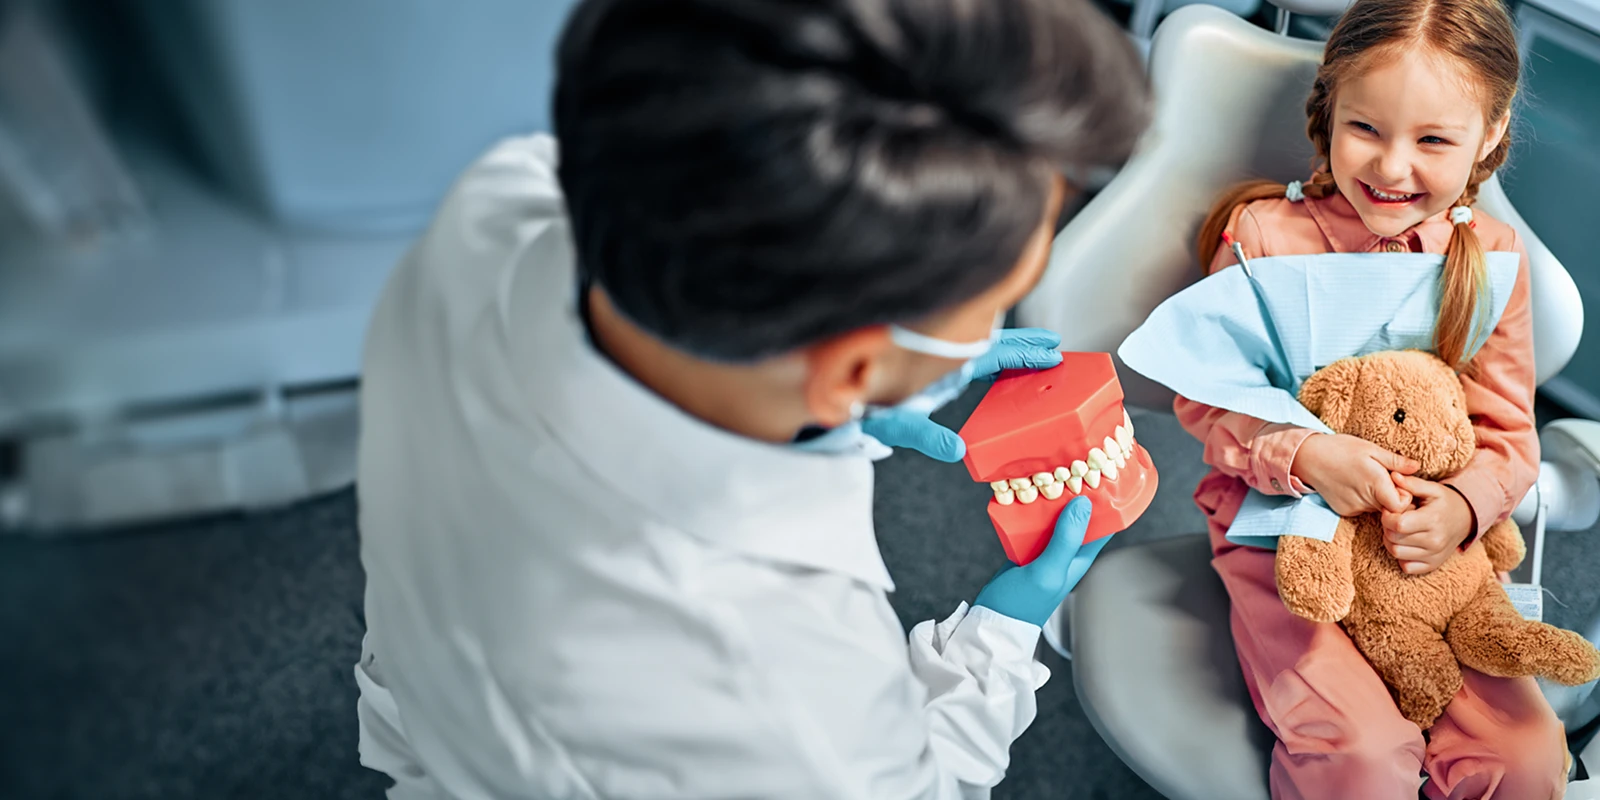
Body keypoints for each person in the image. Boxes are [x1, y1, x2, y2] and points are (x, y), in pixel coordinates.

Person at [352, 0, 1149, 797]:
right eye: (997, 300)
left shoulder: (489, 208)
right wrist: (1000, 640)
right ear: (848, 370)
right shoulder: (775, 683)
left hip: (436, 689)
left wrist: (832, 413)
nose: (992, 328)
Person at [1177, 0, 1569, 797]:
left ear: (1489, 136)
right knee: (1357, 754)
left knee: (1528, 760)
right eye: (1368, 130)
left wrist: (1461, 509)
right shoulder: (1261, 237)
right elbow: (1206, 400)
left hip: (1431, 555)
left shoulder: (1491, 258)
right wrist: (1306, 453)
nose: (1392, 169)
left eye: (1432, 140)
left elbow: (1508, 435)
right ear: (1329, 111)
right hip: (1283, 539)